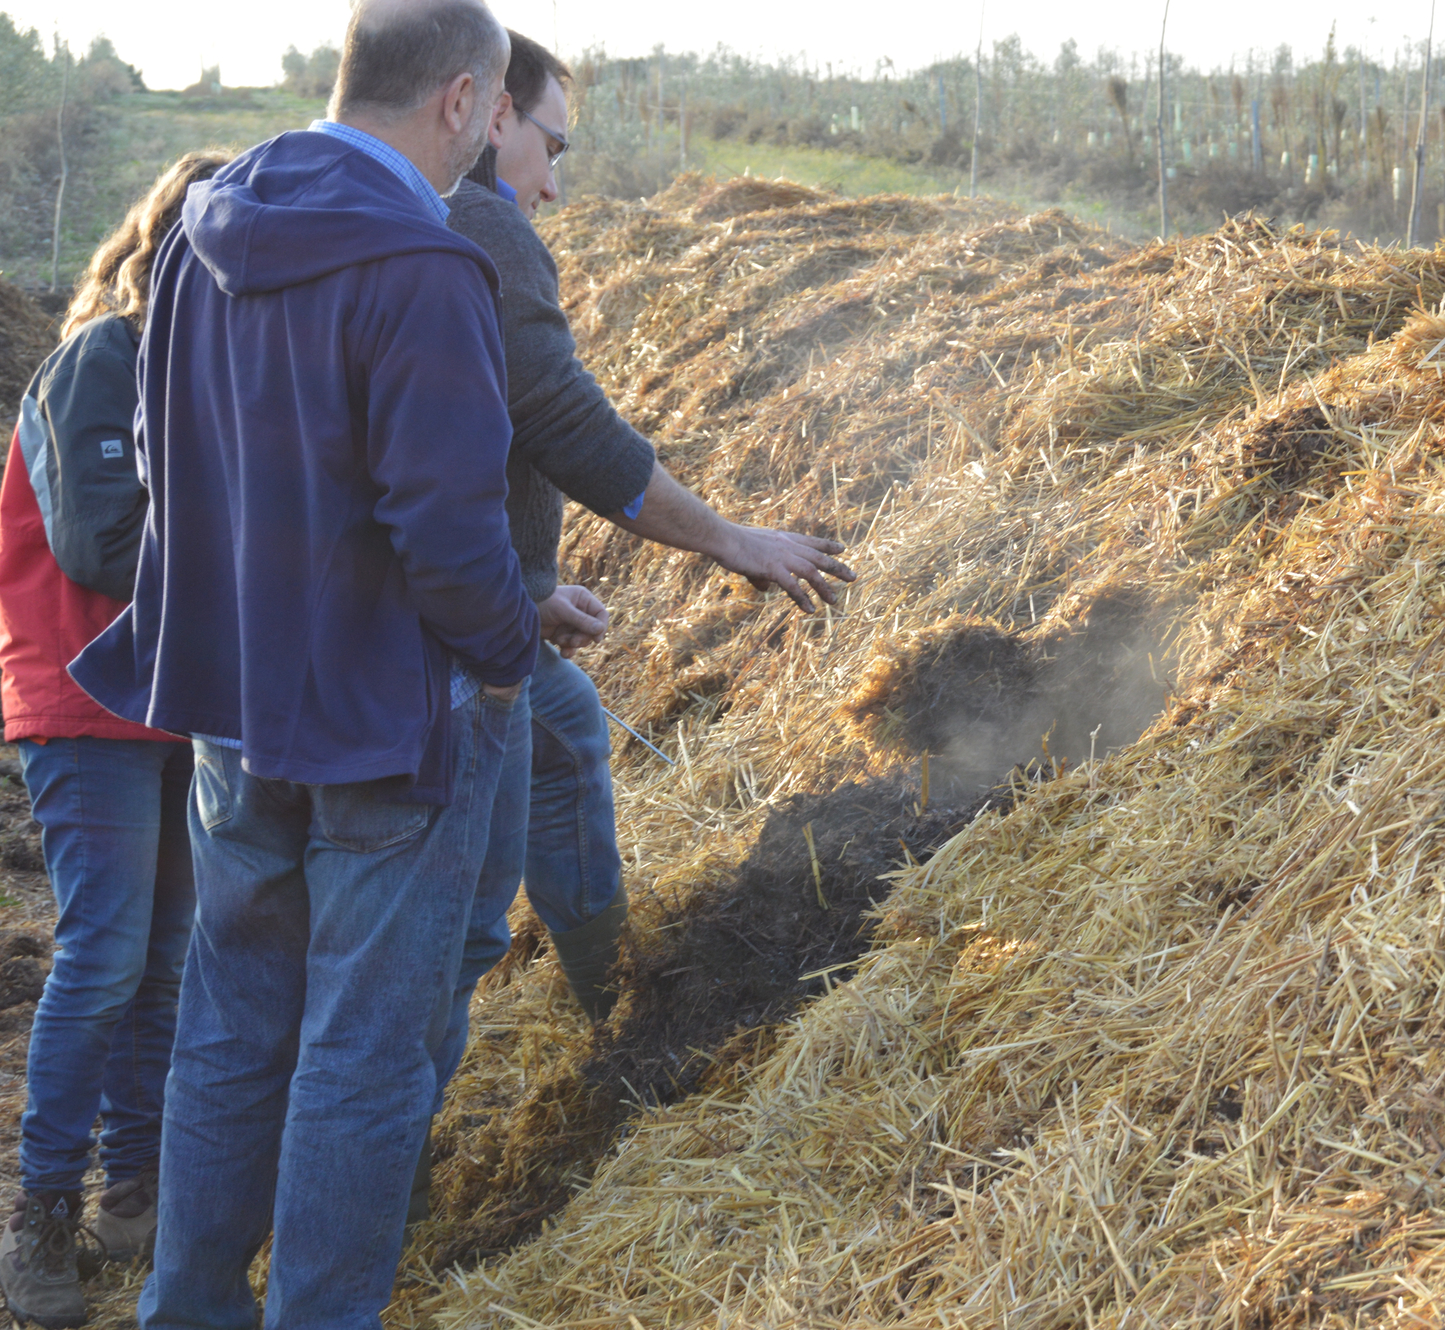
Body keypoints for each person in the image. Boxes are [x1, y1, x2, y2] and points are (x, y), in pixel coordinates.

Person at [67, 1, 539, 1323]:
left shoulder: (197, 241)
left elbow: (168, 468)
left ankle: (188, 1304)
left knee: (226, 1033)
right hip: (385, 715)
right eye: (491, 114)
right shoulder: (425, 267)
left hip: (235, 707)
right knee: (362, 1060)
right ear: (458, 98)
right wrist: (506, 653)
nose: (485, 146)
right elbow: (449, 530)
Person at [423, 27, 851, 1150]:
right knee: (448, 938)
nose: (554, 184)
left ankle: (613, 987)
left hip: (473, 615)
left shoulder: (383, 214)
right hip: (446, 651)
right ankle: (391, 1171)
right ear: (492, 112)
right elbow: (557, 419)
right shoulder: (483, 227)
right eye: (550, 146)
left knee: (565, 725)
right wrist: (731, 540)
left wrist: (527, 592)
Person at [0, 150, 230, 1328]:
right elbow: (100, 546)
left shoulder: (197, 373)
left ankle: (131, 1190)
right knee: (102, 955)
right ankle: (39, 1211)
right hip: (86, 695)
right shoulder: (101, 358)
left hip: (174, 695)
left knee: (165, 960)